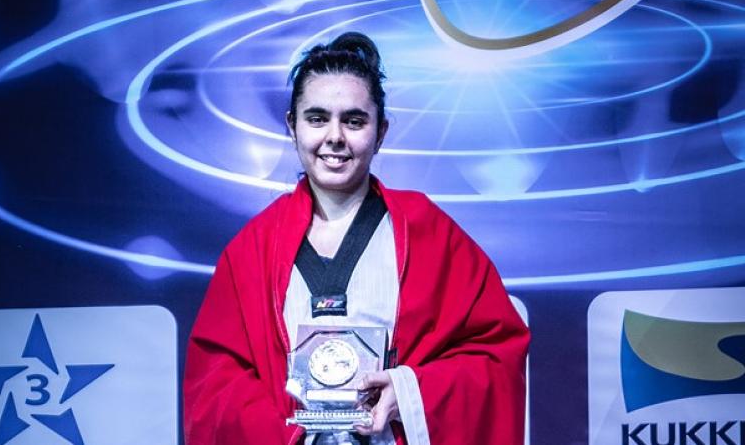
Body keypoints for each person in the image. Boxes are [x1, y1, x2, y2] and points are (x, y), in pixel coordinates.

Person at [183, 31, 529, 445]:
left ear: (381, 131)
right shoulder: (252, 250)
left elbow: (496, 355)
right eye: (317, 118)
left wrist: (412, 391)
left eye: (354, 120)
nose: (334, 137)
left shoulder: (429, 233)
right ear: (292, 126)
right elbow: (214, 386)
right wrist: (281, 430)